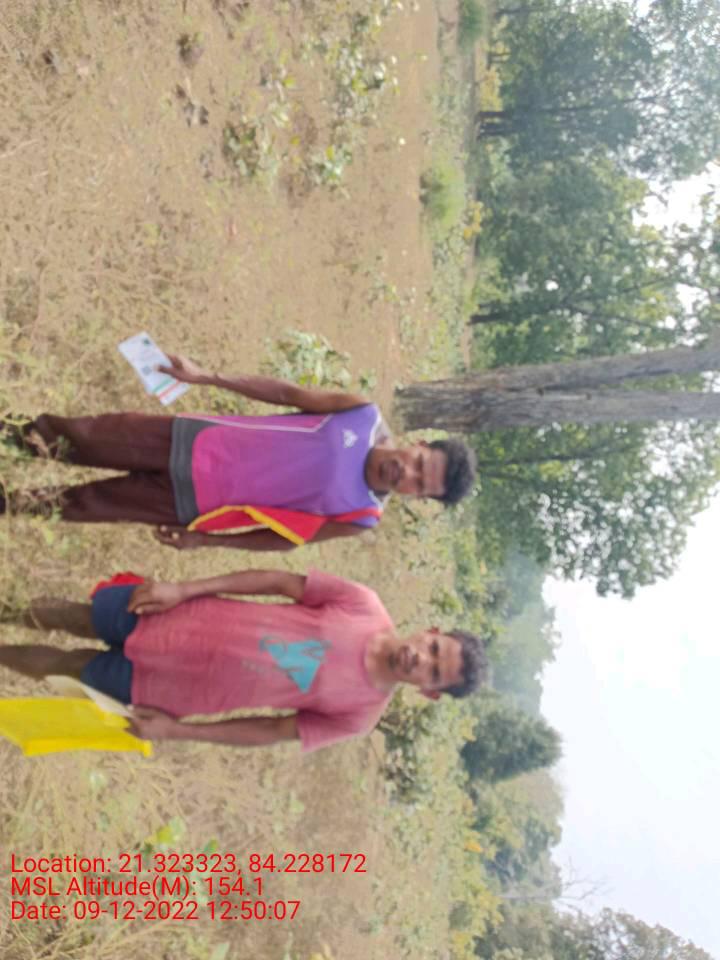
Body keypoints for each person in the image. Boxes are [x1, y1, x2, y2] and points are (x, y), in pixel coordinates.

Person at [0, 354, 476, 551]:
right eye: (419, 463)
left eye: (419, 485)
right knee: (75, 437)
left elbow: (284, 539)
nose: (407, 474)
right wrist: (205, 376)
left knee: (77, 506)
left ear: (417, 498)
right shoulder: (361, 414)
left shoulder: (361, 515)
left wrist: (206, 541)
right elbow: (287, 393)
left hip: (189, 504)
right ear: (419, 444)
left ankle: (7, 503)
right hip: (187, 440)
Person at [0, 568, 489, 752]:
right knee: (74, 616)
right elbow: (277, 582)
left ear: (430, 692)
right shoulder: (363, 603)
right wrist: (184, 589)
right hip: (179, 618)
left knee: (66, 667)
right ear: (432, 632)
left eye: (433, 673)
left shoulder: (359, 715)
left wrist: (176, 731)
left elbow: (270, 731)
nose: (420, 659)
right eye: (434, 650)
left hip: (170, 692)